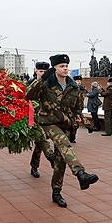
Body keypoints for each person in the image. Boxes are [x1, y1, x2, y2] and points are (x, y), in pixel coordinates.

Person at [26, 54, 99, 208]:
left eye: (66, 66)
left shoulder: (74, 87)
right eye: (61, 66)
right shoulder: (46, 84)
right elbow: (28, 95)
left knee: (60, 161)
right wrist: (42, 79)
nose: (65, 68)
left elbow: (78, 108)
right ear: (55, 69)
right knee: (64, 144)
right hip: (48, 122)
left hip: (65, 124)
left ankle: (56, 192)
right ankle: (80, 173)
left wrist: (79, 122)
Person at [28, 61, 55, 178]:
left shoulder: (51, 84)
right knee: (41, 138)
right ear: (36, 71)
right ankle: (50, 156)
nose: (43, 73)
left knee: (39, 144)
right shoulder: (31, 83)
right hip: (32, 118)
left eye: (45, 71)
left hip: (46, 118)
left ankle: (34, 166)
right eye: (40, 71)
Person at [69, 75, 94, 143]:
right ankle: (88, 127)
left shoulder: (83, 89)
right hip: (71, 108)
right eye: (77, 81)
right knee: (73, 123)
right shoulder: (71, 88)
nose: (79, 82)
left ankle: (72, 137)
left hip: (79, 108)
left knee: (76, 123)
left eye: (80, 81)